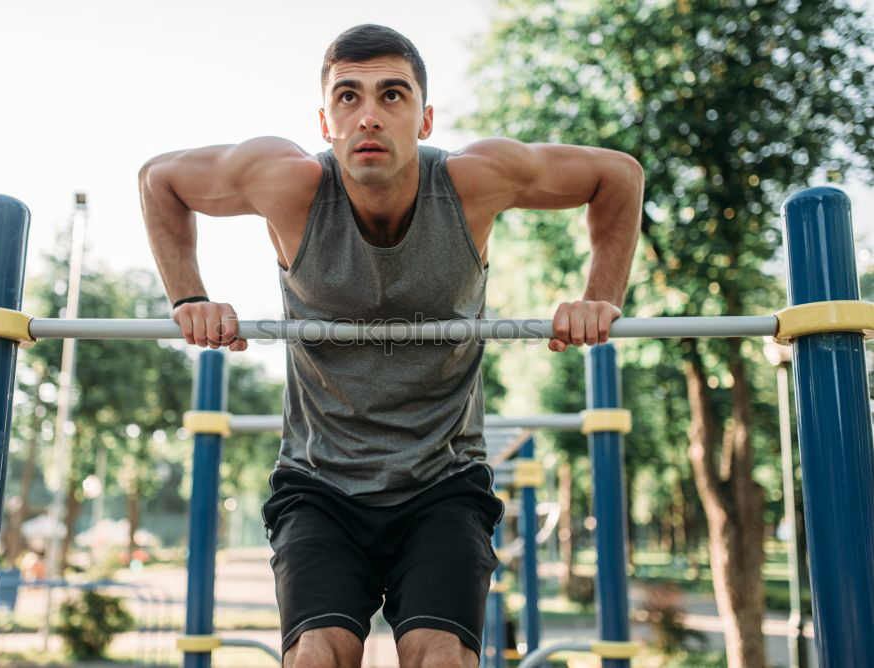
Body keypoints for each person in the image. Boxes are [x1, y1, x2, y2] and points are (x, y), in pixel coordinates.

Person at [139, 24, 643, 668]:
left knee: (441, 657)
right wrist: (189, 299)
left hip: (443, 480)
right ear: (326, 122)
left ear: (425, 118)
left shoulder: (472, 183)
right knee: (317, 657)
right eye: (348, 98)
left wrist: (599, 297)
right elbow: (160, 180)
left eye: (392, 96)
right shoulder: (288, 184)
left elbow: (618, 176)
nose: (368, 116)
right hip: (320, 484)